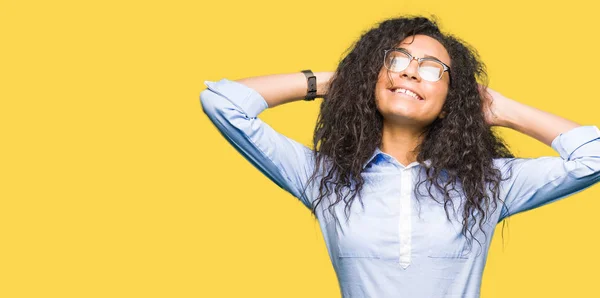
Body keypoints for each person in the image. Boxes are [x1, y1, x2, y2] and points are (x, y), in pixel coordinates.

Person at [199, 15, 600, 298]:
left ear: (450, 101)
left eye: (431, 68)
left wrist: (503, 111)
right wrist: (339, 81)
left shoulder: (489, 184)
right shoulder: (322, 177)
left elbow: (593, 157)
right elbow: (222, 102)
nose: (410, 73)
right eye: (397, 61)